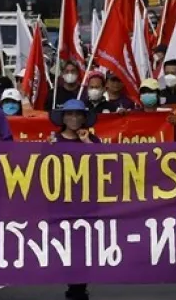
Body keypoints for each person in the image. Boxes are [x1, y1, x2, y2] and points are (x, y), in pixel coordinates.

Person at [49, 98, 99, 300]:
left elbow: (105, 163)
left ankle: (79, 286)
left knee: (83, 246)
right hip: (62, 202)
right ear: (63, 117)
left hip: (87, 202)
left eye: (78, 114)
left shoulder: (92, 141)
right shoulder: (54, 141)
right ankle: (73, 282)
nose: (74, 118)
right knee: (66, 246)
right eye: (70, 114)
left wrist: (87, 143)